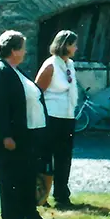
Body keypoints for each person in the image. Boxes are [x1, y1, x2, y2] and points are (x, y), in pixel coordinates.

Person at [0, 30, 48, 219]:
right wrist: (5, 136)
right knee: (10, 177)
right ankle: (12, 217)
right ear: (13, 50)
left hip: (27, 132)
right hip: (11, 136)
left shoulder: (15, 71)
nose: (25, 52)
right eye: (23, 48)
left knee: (27, 174)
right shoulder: (0, 73)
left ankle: (29, 211)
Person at [35, 30, 80, 208]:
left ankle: (62, 195)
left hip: (67, 116)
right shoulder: (50, 65)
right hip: (51, 116)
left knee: (64, 156)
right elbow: (37, 92)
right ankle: (40, 196)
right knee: (46, 156)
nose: (76, 48)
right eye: (73, 44)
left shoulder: (69, 64)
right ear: (65, 45)